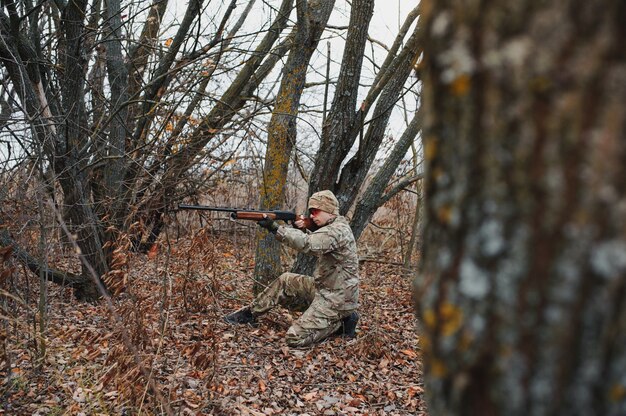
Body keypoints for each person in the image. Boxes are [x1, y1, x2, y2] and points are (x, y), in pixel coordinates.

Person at [224, 190, 360, 347]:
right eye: (310, 212)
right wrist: (300, 228)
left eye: (316, 211)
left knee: (294, 338)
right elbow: (318, 239)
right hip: (324, 289)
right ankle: (249, 314)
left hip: (338, 299)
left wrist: (276, 228)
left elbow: (308, 244)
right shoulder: (331, 227)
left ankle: (342, 322)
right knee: (286, 280)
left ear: (329, 210)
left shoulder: (338, 230)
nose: (312, 216)